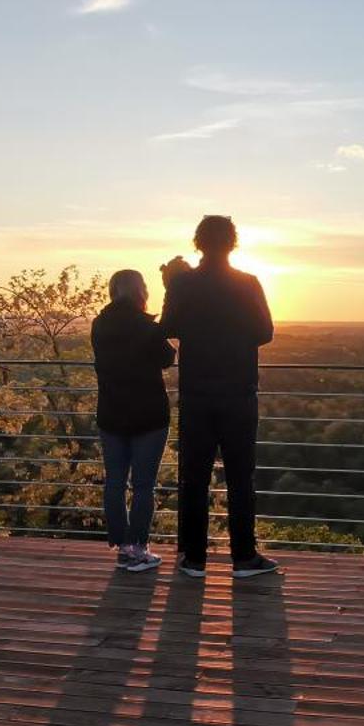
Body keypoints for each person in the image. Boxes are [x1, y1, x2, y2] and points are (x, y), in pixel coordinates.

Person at [158, 214, 279, 580]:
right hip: (238, 393)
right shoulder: (248, 283)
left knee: (194, 478)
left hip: (196, 394)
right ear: (232, 243)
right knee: (242, 478)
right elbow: (265, 332)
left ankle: (194, 558)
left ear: (198, 243)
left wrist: (170, 285)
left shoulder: (184, 285)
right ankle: (244, 557)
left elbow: (167, 328)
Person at [91, 268, 174, 572]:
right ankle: (138, 548)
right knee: (143, 486)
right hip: (148, 415)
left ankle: (122, 546)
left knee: (114, 482)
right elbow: (168, 358)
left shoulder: (99, 324)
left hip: (111, 413)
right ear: (141, 291)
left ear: (113, 291)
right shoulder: (146, 326)